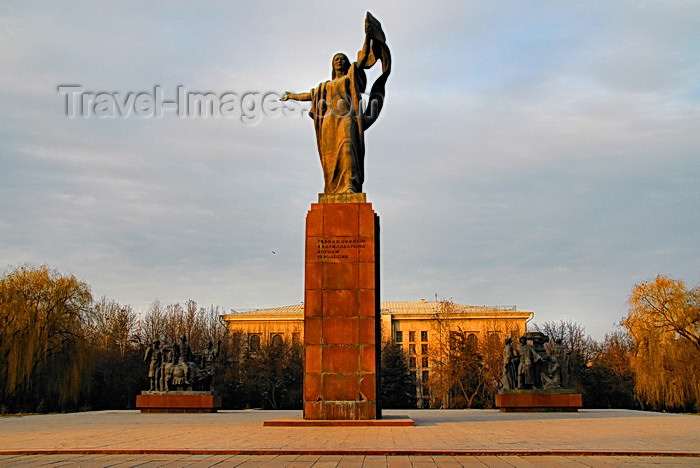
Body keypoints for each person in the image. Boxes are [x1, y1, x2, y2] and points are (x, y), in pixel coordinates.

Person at [281, 12, 391, 194]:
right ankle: (333, 188)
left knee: (348, 149)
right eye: (335, 60)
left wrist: (367, 36)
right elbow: (310, 95)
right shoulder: (325, 86)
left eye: (342, 59)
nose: (339, 61)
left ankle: (350, 185)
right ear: (333, 65)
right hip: (329, 122)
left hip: (347, 117)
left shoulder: (351, 75)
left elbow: (363, 58)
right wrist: (292, 96)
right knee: (331, 159)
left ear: (347, 63)